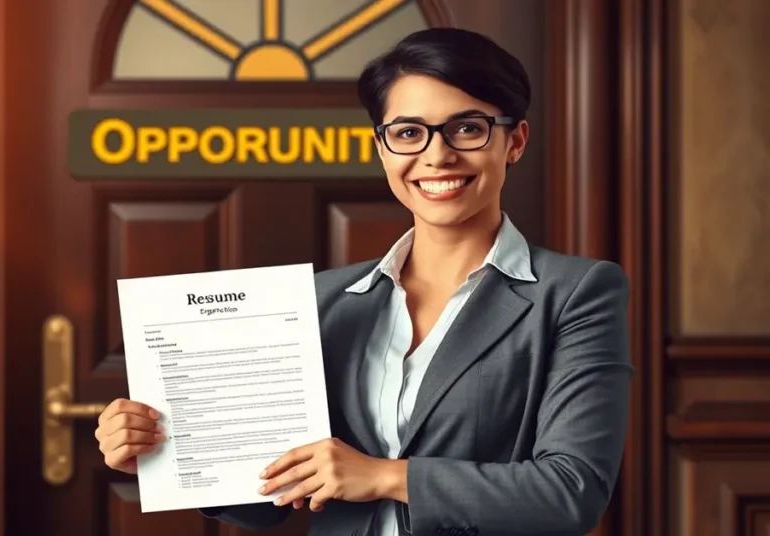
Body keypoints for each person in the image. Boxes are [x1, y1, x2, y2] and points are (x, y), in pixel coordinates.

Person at [94, 27, 632, 536]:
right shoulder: (322, 300)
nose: (437, 154)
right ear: (382, 148)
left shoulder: (576, 294)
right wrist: (165, 449)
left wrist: (382, 475)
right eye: (408, 133)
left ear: (514, 141)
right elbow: (273, 500)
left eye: (468, 128)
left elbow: (572, 491)